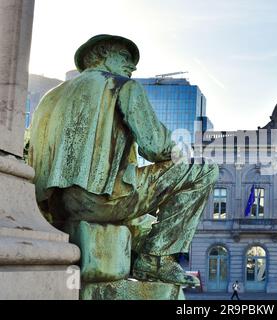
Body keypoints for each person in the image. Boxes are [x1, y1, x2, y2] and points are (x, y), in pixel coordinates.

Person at [27, 34, 219, 286]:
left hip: (54, 207)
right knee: (204, 170)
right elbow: (158, 147)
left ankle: (138, 256)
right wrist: (182, 160)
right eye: (125, 57)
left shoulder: (48, 98)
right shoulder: (120, 86)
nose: (133, 67)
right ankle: (155, 260)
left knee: (147, 222)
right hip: (101, 200)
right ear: (103, 52)